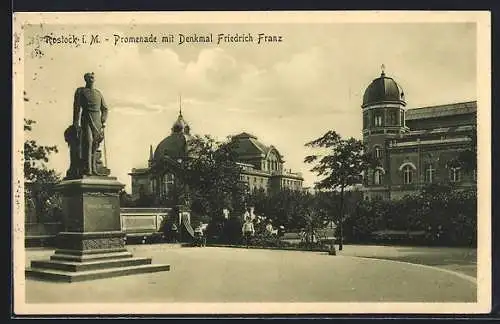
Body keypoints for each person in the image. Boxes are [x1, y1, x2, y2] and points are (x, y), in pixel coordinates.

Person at [71, 72, 109, 176]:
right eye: (89, 78)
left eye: (93, 77)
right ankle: (88, 169)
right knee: (88, 142)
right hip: (87, 119)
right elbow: (77, 109)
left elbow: (105, 109)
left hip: (97, 122)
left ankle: (94, 168)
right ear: (85, 79)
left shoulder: (98, 93)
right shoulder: (81, 91)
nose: (91, 79)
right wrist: (76, 124)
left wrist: (103, 120)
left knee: (95, 146)